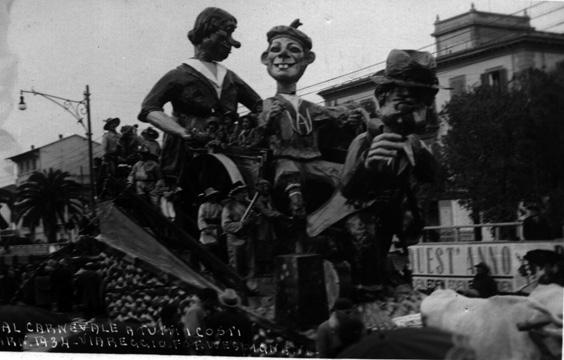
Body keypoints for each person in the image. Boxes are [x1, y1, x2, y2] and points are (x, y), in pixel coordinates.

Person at [310, 49, 440, 290]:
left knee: (381, 244)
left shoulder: (415, 147)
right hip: (348, 217)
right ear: (381, 101)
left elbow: (429, 179)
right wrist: (368, 166)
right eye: (401, 103)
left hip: (387, 216)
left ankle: (379, 279)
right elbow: (347, 189)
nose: (409, 114)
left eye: (420, 107)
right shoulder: (364, 141)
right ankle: (367, 286)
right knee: (364, 239)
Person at [137, 7, 262, 207]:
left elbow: (259, 106)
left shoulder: (230, 77)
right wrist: (182, 132)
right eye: (226, 33)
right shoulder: (178, 75)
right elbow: (149, 109)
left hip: (229, 150)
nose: (232, 43)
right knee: (187, 202)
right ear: (204, 33)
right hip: (187, 154)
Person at [257, 19, 367, 220]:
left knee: (348, 177)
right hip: (286, 161)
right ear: (266, 58)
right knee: (291, 184)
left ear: (308, 59)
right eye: (276, 49)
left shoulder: (311, 107)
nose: (283, 55)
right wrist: (268, 119)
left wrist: (351, 116)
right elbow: (260, 131)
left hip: (314, 162)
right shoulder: (269, 104)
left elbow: (337, 115)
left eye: (293, 50)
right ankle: (296, 220)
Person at [221, 181, 257, 282]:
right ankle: (238, 286)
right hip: (235, 240)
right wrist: (241, 224)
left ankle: (251, 287)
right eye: (241, 192)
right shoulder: (229, 207)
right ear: (235, 195)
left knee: (251, 264)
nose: (244, 194)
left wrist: (252, 219)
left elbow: (255, 221)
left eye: (244, 192)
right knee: (236, 264)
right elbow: (225, 225)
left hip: (248, 237)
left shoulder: (248, 206)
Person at [205, 288, 253, 356]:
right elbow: (248, 338)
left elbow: (210, 334)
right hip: (237, 350)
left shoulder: (217, 317)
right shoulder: (244, 318)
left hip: (222, 349)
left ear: (223, 303)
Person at [197, 187, 224, 261]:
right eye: (212, 196)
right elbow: (200, 219)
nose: (214, 197)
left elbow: (222, 218)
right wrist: (205, 228)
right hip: (206, 228)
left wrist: (218, 227)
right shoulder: (203, 206)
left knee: (216, 248)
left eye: (215, 196)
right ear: (209, 197)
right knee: (205, 247)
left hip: (215, 228)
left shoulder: (219, 207)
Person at [100, 117, 121, 198]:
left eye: (114, 124)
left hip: (119, 157)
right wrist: (105, 157)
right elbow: (104, 148)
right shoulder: (106, 136)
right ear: (108, 126)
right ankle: (108, 193)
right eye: (110, 124)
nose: (113, 126)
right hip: (109, 157)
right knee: (111, 174)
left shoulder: (119, 135)